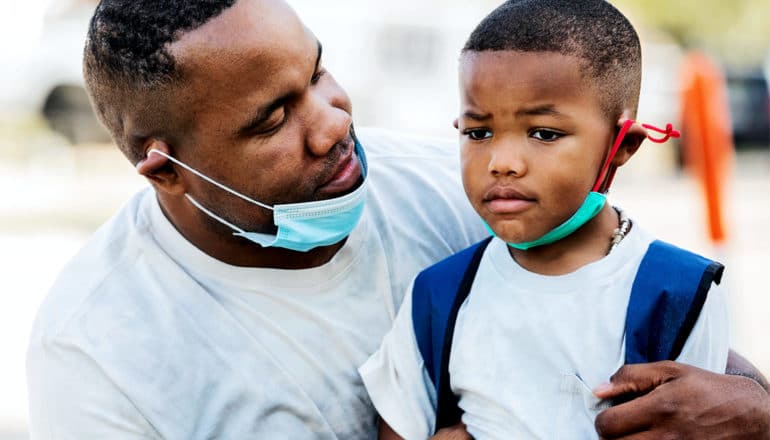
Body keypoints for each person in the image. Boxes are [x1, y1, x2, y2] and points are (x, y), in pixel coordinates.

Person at [25, 0, 770, 439]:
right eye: (273, 119)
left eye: (316, 73)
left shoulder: (456, 189)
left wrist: (755, 410)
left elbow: (671, 355)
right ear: (166, 169)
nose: (331, 125)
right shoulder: (100, 353)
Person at [358, 1, 758, 439]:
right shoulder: (439, 295)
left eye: (544, 134)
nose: (502, 162)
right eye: (478, 132)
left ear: (623, 146)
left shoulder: (677, 293)